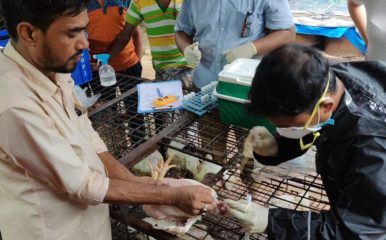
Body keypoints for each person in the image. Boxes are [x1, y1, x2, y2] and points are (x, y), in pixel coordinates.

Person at [0, 1, 216, 240]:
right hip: (53, 231)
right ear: (29, 33)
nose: (84, 43)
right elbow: (81, 184)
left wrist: (144, 185)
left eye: (84, 30)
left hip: (90, 223)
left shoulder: (51, 67)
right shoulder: (13, 104)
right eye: (71, 33)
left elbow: (89, 138)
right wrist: (169, 196)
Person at [225, 44, 386, 239]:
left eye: (289, 126)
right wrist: (275, 148)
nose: (283, 130)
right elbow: (312, 129)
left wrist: (273, 221)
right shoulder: (325, 80)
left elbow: (357, 232)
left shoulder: (372, 149)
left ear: (326, 106)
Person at [175, 0, 296, 89]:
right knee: (205, 122)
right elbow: (181, 31)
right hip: (204, 84)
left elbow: (287, 33)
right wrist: (186, 49)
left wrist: (253, 48)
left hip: (247, 86)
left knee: (246, 123)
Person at [86, 0, 145, 144]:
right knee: (108, 111)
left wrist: (137, 60)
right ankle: (118, 145)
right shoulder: (83, 5)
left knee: (135, 110)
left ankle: (140, 145)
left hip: (129, 67)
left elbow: (135, 34)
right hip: (100, 72)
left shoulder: (125, 2)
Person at [109, 0, 193, 91]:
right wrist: (105, 60)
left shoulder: (189, 2)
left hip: (190, 67)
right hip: (162, 71)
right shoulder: (139, 2)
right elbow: (124, 36)